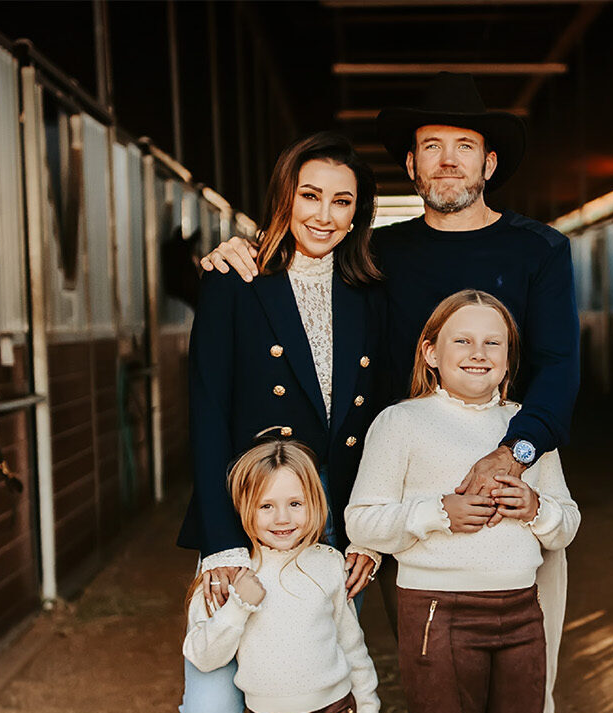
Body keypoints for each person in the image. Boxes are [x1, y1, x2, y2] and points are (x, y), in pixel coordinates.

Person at [202, 72, 582, 712]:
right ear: (410, 163)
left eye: (465, 145)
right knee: (427, 669)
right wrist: (241, 254)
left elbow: (559, 369)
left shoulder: (539, 250)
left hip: (514, 486)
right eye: (431, 145)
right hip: (403, 492)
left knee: (526, 682)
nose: (448, 160)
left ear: (489, 162)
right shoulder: (373, 255)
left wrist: (512, 456)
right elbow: (307, 281)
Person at [176, 131, 387, 713]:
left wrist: (365, 533)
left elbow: (382, 426)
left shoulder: (369, 292)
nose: (323, 215)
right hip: (247, 518)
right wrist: (222, 546)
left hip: (331, 526)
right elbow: (209, 411)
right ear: (285, 197)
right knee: (212, 705)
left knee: (314, 693)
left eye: (341, 201)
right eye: (309, 195)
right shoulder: (234, 280)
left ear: (357, 213)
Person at [345, 290, 581, 713]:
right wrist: (438, 513)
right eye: (462, 341)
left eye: (493, 343)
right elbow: (362, 522)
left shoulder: (528, 429)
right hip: (437, 610)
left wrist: (534, 508)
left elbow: (567, 524)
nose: (479, 353)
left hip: (522, 609)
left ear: (509, 360)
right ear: (430, 352)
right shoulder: (400, 422)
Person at [184, 439, 380, 713]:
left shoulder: (329, 563)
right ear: (243, 506)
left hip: (335, 707)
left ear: (314, 502)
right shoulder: (228, 573)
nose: (282, 518)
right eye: (266, 506)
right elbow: (203, 658)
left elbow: (352, 645)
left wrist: (368, 706)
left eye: (295, 503)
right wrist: (238, 607)